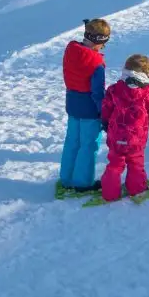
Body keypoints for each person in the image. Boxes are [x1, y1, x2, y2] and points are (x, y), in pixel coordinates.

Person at [97, 54, 149, 203]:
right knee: (135, 164)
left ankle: (109, 193)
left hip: (116, 136)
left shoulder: (115, 89)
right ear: (145, 73)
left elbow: (106, 107)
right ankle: (136, 189)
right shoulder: (148, 93)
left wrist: (105, 121)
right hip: (136, 140)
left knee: (115, 165)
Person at [57, 18, 110, 196]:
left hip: (72, 104)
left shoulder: (71, 50)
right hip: (89, 109)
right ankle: (82, 182)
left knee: (72, 141)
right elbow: (97, 93)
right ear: (100, 42)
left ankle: (66, 178)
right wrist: (104, 113)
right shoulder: (97, 64)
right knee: (88, 145)